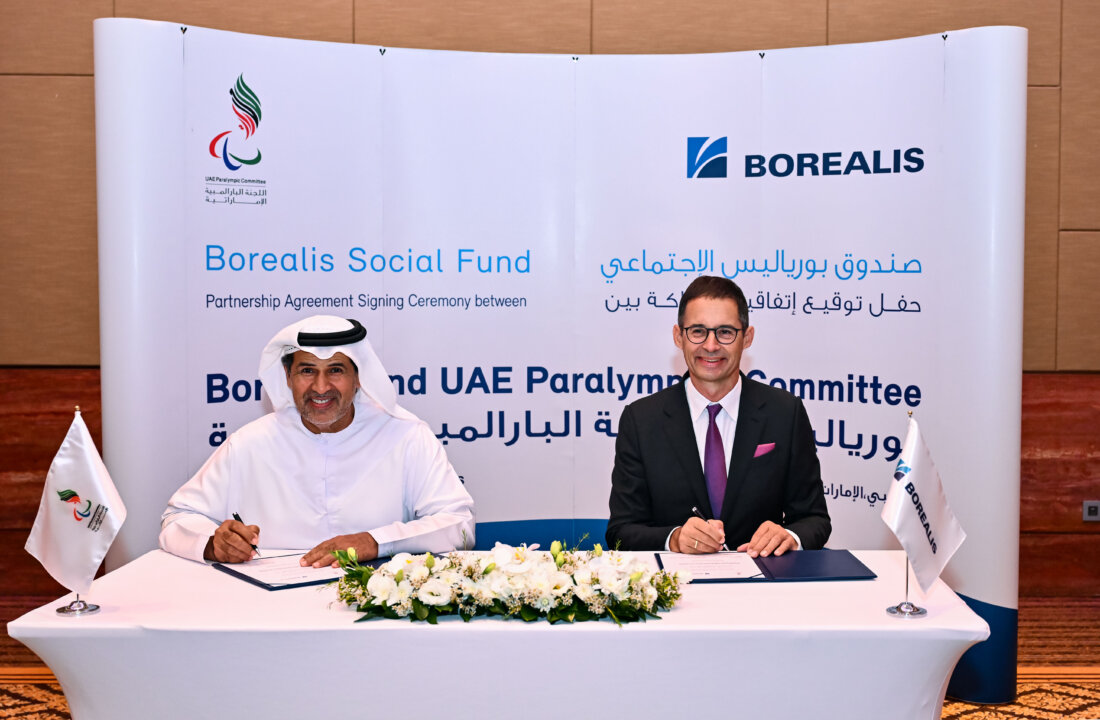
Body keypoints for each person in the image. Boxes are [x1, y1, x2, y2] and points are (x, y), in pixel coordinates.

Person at [160, 315, 475, 567]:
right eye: (307, 371)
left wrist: (375, 542)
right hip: (271, 609)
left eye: (335, 370)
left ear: (358, 377)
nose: (321, 387)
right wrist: (214, 544)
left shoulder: (406, 436)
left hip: (374, 606)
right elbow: (177, 518)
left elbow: (458, 524)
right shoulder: (250, 443)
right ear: (288, 377)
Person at [606, 276, 830, 557]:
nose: (711, 346)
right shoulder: (641, 420)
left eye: (725, 332)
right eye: (698, 331)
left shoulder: (785, 412)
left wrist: (790, 537)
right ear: (678, 336)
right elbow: (621, 531)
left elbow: (815, 520)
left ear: (747, 337)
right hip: (676, 582)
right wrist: (674, 539)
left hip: (762, 578)